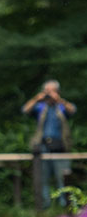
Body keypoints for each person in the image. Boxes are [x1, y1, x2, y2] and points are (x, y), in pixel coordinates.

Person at [22, 79, 76, 207]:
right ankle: (44, 210)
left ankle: (65, 210)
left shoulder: (61, 107)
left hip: (60, 147)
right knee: (42, 180)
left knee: (63, 180)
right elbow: (25, 110)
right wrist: (37, 98)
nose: (48, 94)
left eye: (51, 91)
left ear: (57, 92)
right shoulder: (41, 107)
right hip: (43, 148)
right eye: (46, 91)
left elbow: (73, 110)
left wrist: (59, 99)